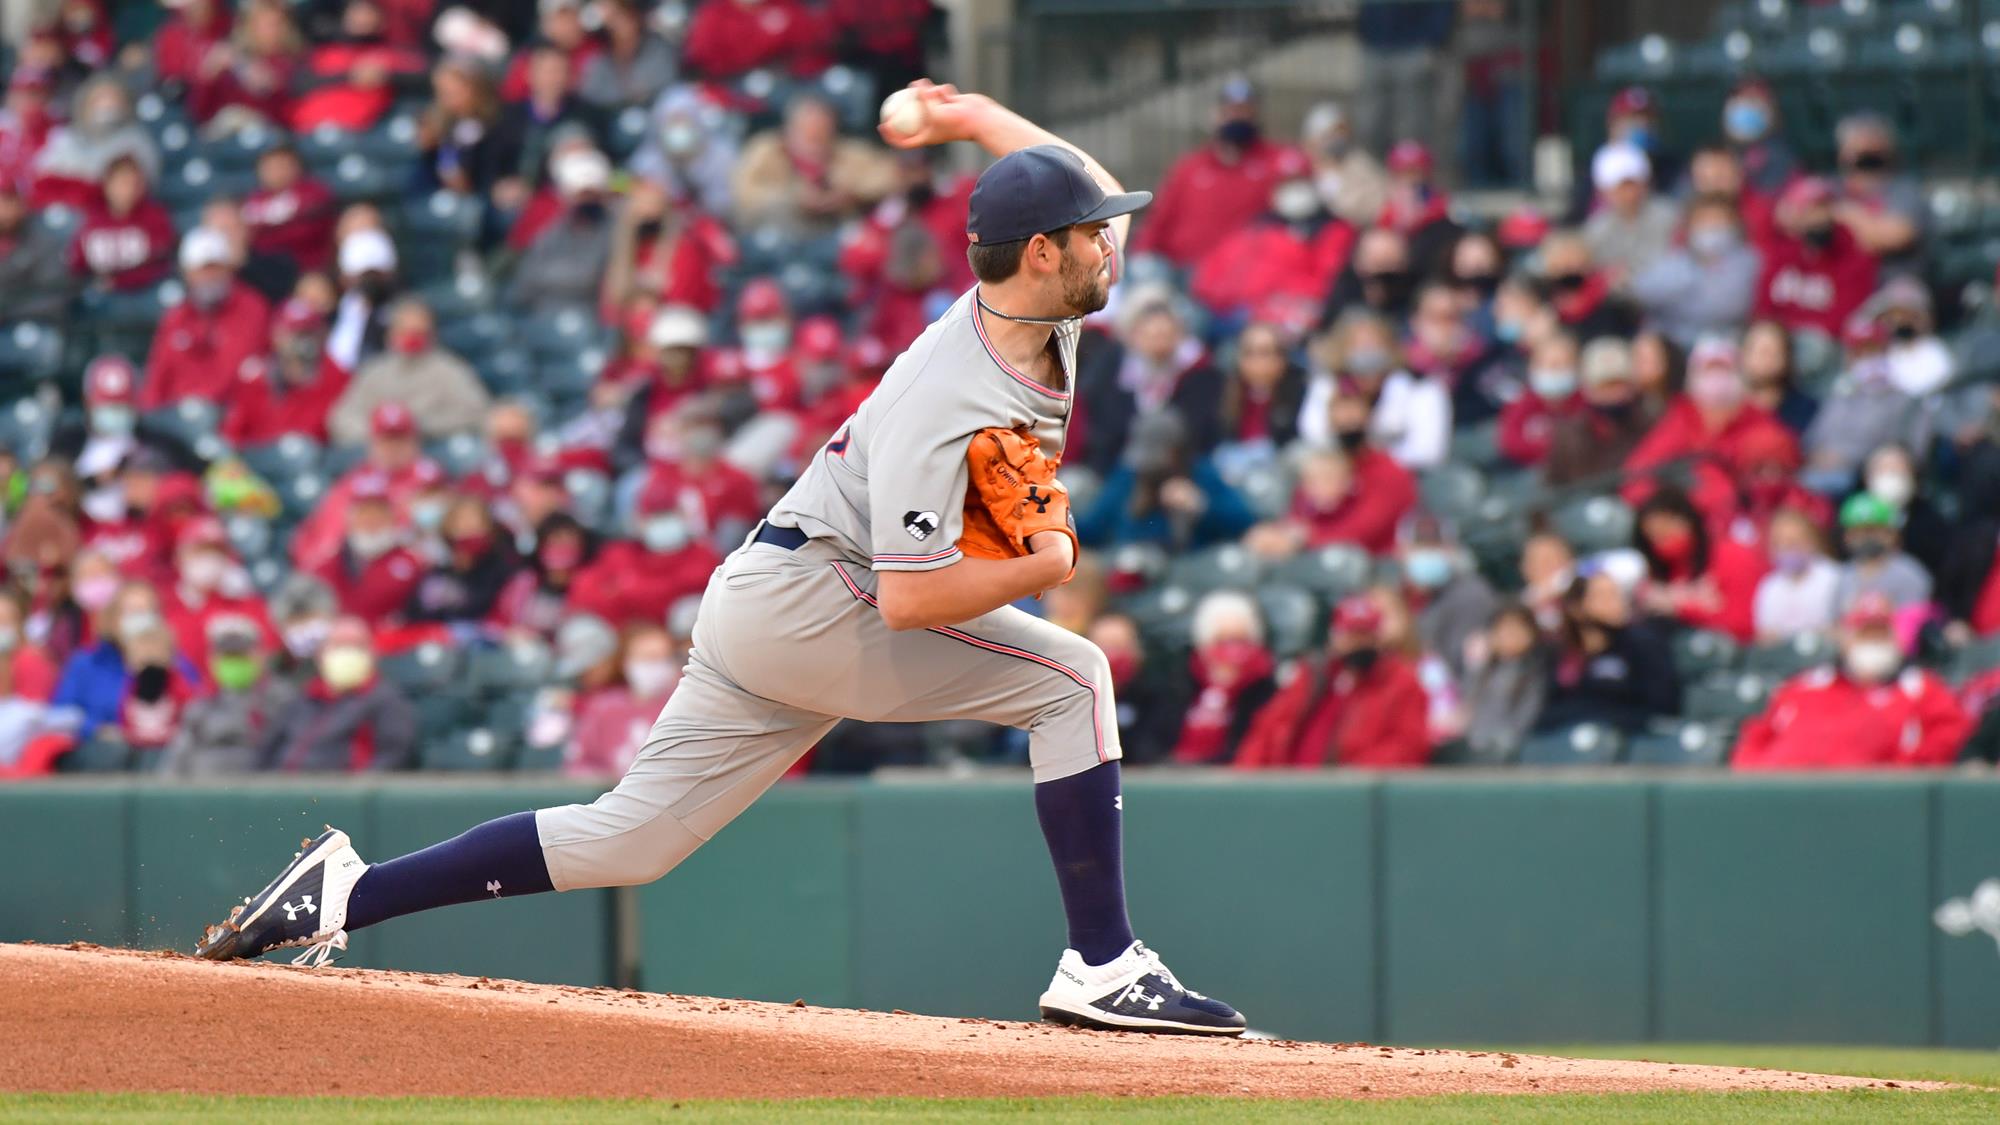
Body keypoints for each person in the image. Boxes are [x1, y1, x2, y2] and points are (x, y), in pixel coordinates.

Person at [193, 80, 1246, 1036]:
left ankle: (344, 893)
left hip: (770, 594)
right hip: (823, 598)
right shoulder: (951, 396)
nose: (1114, 247)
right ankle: (1102, 964)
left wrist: (972, 119)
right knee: (1075, 677)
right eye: (1092, 238)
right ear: (1041, 253)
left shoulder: (1038, 296)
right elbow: (913, 603)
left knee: (629, 839)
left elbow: (1086, 186)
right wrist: (1044, 561)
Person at [1733, 594, 1969, 770]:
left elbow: (1948, 735)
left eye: (1879, 634)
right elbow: (1757, 736)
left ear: (1896, 638)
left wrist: (1898, 775)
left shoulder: (1921, 688)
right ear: (1846, 639)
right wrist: (1757, 773)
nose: (1871, 643)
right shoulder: (1805, 685)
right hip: (1783, 795)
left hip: (1868, 803)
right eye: (1864, 634)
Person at [1234, 594, 1431, 769]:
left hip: (1349, 795)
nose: (1358, 643)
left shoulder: (1400, 681)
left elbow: (1407, 746)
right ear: (1335, 638)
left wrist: (1349, 779)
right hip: (1288, 785)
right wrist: (1245, 777)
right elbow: (1267, 729)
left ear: (1378, 638)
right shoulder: (1313, 675)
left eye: (1365, 635)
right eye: (1351, 635)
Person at [1137, 75, 1308, 266]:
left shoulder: (1277, 161)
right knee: (1146, 271)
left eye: (1245, 110)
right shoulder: (1190, 167)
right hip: (1184, 268)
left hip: (1245, 271)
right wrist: (1142, 255)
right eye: (1231, 110)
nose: (1238, 117)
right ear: (1217, 114)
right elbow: (1158, 222)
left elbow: (1301, 190)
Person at [1073, 286, 1224, 475]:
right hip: (1118, 463)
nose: (1159, 343)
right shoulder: (1115, 368)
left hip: (1184, 464)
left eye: (1165, 335)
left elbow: (1195, 428)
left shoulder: (1198, 371)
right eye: (1152, 336)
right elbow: (1103, 422)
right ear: (1134, 337)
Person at [1245, 404, 1416, 558]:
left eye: (1355, 408)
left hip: (1377, 568)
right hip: (1318, 563)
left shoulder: (1388, 471)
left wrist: (1301, 539)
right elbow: (1295, 521)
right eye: (1340, 408)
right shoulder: (1320, 462)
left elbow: (1360, 533)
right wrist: (1275, 535)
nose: (1348, 418)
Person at [1074, 409, 1254, 553]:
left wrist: (1201, 506)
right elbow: (1093, 527)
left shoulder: (1201, 474)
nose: (1147, 465)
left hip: (1188, 570)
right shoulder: (1128, 476)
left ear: (1176, 451)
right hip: (1132, 566)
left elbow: (1245, 523)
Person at [260, 615, 416, 772]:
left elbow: (393, 755)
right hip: (282, 789)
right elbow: (267, 750)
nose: (346, 653)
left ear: (372, 653)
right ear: (321, 654)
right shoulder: (303, 698)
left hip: (337, 792)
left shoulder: (387, 701)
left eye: (355, 646)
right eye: (338, 645)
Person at [730, 92, 895, 238]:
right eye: (807, 132)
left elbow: (889, 177)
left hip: (838, 237)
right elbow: (745, 197)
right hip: (781, 236)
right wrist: (794, 200)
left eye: (822, 132)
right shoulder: (765, 151)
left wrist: (850, 194)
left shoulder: (850, 153)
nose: (815, 138)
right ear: (790, 129)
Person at [327, 299, 492, 445]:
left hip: (430, 449)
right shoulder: (374, 372)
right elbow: (341, 418)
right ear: (391, 334)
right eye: (404, 332)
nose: (412, 339)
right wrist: (380, 431)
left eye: (419, 333)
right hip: (377, 454)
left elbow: (476, 412)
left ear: (432, 335)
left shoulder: (448, 368)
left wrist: (419, 427)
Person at [1537, 569, 1679, 733]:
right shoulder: (1562, 656)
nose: (1616, 603)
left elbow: (1663, 707)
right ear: (1576, 608)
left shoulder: (1644, 644)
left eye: (1617, 595)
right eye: (1603, 596)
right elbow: (1546, 712)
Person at [160, 613, 298, 776]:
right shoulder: (200, 706)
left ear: (259, 655)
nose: (234, 661)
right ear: (213, 660)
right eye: (228, 656)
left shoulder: (282, 699)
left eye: (240, 655)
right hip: (204, 790)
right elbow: (176, 762)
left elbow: (289, 755)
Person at [1801, 318, 1926, 496]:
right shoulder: (1839, 395)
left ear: (1886, 352)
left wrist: (1844, 458)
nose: (1866, 359)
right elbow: (1812, 438)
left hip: (1865, 480)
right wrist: (1818, 456)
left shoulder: (1906, 400)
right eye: (1858, 352)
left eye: (1872, 350)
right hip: (1819, 472)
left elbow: (1909, 453)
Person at [1632, 487, 1767, 642]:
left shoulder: (1732, 555)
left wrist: (1679, 609)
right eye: (1654, 538)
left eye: (1666, 530)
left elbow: (1744, 624)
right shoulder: (1661, 572)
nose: (1663, 542)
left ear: (1688, 520)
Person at [1753, 177, 1878, 339]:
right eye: (1810, 210)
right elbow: (1764, 308)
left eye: (1824, 208)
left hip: (1827, 344)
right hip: (1781, 340)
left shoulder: (1853, 256)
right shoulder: (1781, 255)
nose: (1819, 217)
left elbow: (1843, 320)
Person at [1631, 195, 1760, 348]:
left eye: (1718, 221)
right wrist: (1697, 269)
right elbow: (1643, 292)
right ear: (1689, 227)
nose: (1711, 228)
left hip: (1731, 345)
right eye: (1704, 221)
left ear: (1734, 225)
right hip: (1674, 346)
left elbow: (1728, 306)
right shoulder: (1677, 259)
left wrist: (1682, 296)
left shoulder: (1749, 260)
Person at [1165, 591, 1276, 765]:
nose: (1231, 652)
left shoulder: (1265, 687)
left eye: (1239, 641)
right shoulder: (1182, 681)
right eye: (1221, 641)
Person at [309, 471, 427, 626]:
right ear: (350, 518)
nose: (371, 521)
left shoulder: (414, 563)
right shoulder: (326, 566)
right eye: (364, 513)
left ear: (392, 517)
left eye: (379, 513)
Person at [567, 622, 681, 777]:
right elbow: (580, 762)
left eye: (664, 658)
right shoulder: (604, 707)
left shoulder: (681, 706)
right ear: (625, 662)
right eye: (649, 658)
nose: (657, 665)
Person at [1544, 336, 1653, 487]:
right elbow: (1552, 485)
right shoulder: (1567, 435)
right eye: (1603, 386)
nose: (1612, 394)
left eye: (1618, 384)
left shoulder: (1650, 425)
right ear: (1588, 388)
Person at [1401, 513, 1496, 680]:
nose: (1427, 554)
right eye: (1420, 547)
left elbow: (1466, 668)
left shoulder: (1472, 594)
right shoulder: (1402, 597)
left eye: (1435, 547)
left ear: (1452, 550)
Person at [1830, 112, 1925, 277]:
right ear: (1843, 154)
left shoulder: (1904, 191)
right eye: (1860, 152)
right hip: (1837, 285)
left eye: (1872, 151)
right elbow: (1794, 218)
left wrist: (1845, 213)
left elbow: (1894, 237)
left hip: (1889, 284)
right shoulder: (1831, 188)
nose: (1866, 158)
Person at [67, 155, 175, 293]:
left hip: (144, 292)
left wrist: (121, 281)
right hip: (102, 294)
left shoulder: (156, 217)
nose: (130, 190)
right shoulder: (91, 219)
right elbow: (78, 264)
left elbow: (160, 263)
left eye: (136, 184)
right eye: (124, 183)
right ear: (108, 185)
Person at [405, 496, 520, 626]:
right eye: (462, 522)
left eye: (477, 524)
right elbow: (415, 613)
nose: (469, 529)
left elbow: (486, 611)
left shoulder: (502, 570)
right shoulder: (437, 572)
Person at [1456, 602, 1546, 764]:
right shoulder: (1482, 668)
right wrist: (1475, 664)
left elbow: (1526, 716)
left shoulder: (1534, 674)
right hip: (1474, 745)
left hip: (1509, 751)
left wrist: (1503, 742)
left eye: (1517, 629)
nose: (1510, 636)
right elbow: (1466, 700)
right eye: (1504, 630)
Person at [1582, 143, 1678, 283]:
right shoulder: (1596, 228)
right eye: (1620, 187)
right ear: (1602, 191)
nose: (1629, 193)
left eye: (1633, 184)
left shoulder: (1670, 216)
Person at [1831, 492, 1932, 618]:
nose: (1866, 538)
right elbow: (1836, 623)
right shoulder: (1842, 576)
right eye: (1857, 532)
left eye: (1873, 530)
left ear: (1893, 534)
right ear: (1846, 537)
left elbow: (1915, 622)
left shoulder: (1910, 573)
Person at [1752, 506, 1842, 645]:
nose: (1786, 548)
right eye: (1779, 543)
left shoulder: (1832, 577)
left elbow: (1841, 630)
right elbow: (1765, 637)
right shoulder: (1769, 586)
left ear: (1811, 541)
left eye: (1793, 542)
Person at [1498, 330, 1584, 468]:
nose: (1555, 371)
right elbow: (1510, 444)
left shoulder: (1587, 402)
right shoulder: (1521, 402)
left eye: (1562, 364)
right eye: (1549, 365)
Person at [576, 0, 677, 112]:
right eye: (616, 23)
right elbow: (591, 94)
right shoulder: (601, 59)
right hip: (611, 114)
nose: (623, 28)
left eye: (627, 20)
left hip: (653, 110)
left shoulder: (657, 48)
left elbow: (667, 83)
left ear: (636, 21)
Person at [1299, 101, 1387, 227]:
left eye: (1341, 132)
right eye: (1330, 134)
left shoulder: (1362, 165)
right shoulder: (1299, 165)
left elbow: (1377, 204)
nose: (1337, 138)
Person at [0, 179, 72, 320]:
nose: (4, 210)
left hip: (28, 321)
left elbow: (51, 296)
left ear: (22, 204)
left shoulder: (42, 239)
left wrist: (6, 313)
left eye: (9, 201)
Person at [1737, 319, 1817, 438]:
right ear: (1743, 354)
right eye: (1760, 351)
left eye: (1774, 352)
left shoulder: (1807, 410)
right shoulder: (1724, 407)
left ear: (1787, 357)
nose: (1766, 359)